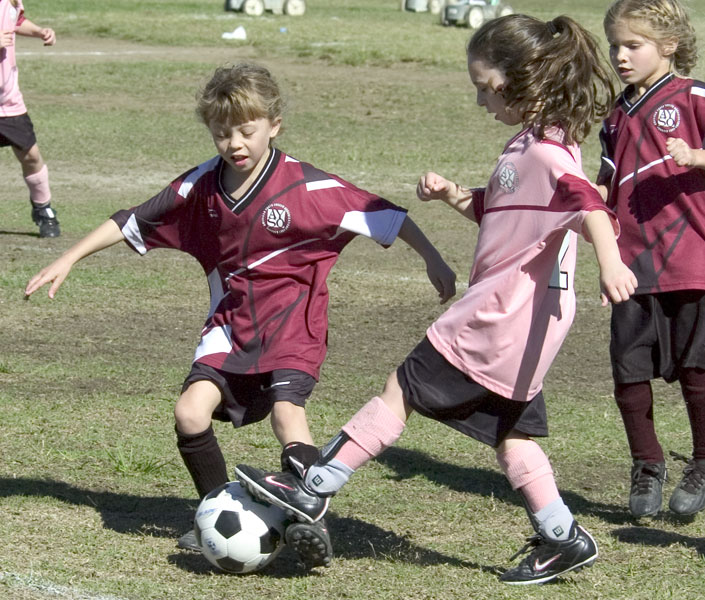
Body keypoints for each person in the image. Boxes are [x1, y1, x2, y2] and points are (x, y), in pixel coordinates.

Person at [235, 14, 638, 585]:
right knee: (512, 434)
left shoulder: (549, 153)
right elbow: (506, 212)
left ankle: (315, 486)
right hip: (530, 326)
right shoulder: (536, 144)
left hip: (499, 313)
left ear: (520, 80)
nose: (480, 101)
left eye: (485, 87)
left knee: (401, 389)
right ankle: (561, 536)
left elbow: (590, 205)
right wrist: (455, 195)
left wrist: (612, 263)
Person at [24, 63, 456, 569]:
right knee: (189, 413)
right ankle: (214, 509)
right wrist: (69, 257)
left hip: (293, 325)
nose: (234, 144)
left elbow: (388, 216)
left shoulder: (309, 187)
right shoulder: (201, 185)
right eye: (221, 133)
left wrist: (434, 259)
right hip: (230, 325)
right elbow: (132, 219)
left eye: (246, 131)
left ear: (275, 125)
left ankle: (310, 517)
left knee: (286, 415)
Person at [597, 0, 705, 519]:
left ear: (669, 46)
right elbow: (607, 182)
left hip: (693, 260)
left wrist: (697, 157)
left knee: (697, 371)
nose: (620, 56)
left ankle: (702, 463)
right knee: (628, 370)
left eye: (633, 45)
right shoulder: (615, 113)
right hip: (631, 265)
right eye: (614, 45)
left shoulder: (693, 96)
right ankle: (647, 463)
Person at [0, 0, 59, 237]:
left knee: (31, 156)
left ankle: (43, 209)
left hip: (7, 100)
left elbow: (16, 21)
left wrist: (38, 31)